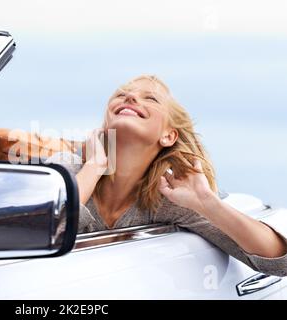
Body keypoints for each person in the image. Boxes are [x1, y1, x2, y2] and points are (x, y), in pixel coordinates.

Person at [46, 75, 287, 277]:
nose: (130, 97)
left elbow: (278, 262)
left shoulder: (171, 201)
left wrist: (206, 202)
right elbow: (41, 232)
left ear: (168, 136)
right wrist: (96, 165)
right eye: (121, 95)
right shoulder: (64, 169)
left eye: (150, 98)